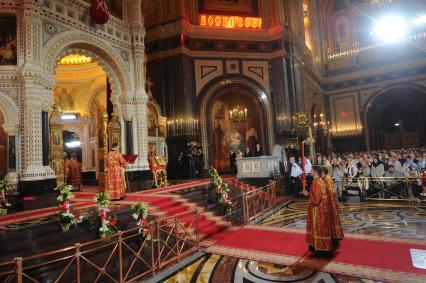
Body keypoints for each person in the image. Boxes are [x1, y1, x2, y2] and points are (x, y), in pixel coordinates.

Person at [301, 166, 333, 257]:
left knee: (318, 229)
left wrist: (307, 194)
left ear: (315, 172)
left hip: (318, 210)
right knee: (321, 229)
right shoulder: (319, 181)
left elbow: (316, 200)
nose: (310, 171)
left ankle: (321, 251)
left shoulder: (317, 183)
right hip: (322, 209)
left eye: (311, 170)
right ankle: (320, 249)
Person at [322, 166, 344, 245]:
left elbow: (326, 192)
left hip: (328, 202)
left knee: (329, 220)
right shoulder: (328, 178)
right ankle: (334, 238)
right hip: (331, 202)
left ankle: (332, 239)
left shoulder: (325, 179)